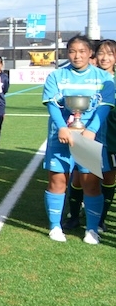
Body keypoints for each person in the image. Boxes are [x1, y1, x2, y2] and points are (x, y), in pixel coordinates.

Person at [42, 35, 114, 244]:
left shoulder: (104, 78)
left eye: (82, 51)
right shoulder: (57, 75)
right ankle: (55, 226)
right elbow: (52, 105)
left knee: (90, 183)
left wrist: (91, 130)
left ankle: (92, 229)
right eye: (73, 51)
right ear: (67, 53)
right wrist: (63, 128)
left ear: (90, 53)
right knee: (58, 180)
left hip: (90, 138)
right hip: (61, 137)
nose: (77, 55)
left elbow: (104, 108)